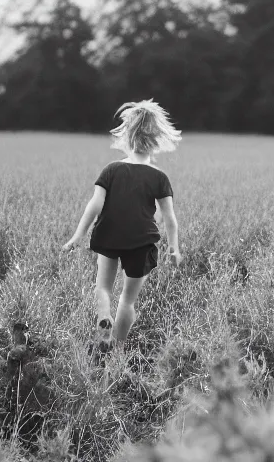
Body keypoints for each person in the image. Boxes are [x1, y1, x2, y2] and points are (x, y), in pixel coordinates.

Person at [63, 100, 183, 363]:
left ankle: (103, 316)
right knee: (128, 302)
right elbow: (169, 218)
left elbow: (94, 205)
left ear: (127, 137)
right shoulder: (159, 177)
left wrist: (78, 235)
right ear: (156, 142)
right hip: (141, 242)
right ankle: (117, 350)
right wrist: (174, 247)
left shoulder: (112, 169)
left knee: (103, 288)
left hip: (109, 235)